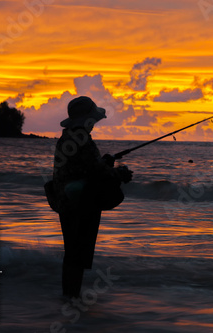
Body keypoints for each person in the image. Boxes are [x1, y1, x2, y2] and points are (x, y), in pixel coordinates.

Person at [52, 96, 133, 298]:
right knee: (77, 254)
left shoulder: (68, 137)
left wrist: (104, 162)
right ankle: (71, 298)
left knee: (72, 253)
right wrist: (120, 174)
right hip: (80, 204)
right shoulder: (82, 139)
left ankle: (68, 298)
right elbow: (96, 172)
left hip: (66, 201)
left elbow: (83, 168)